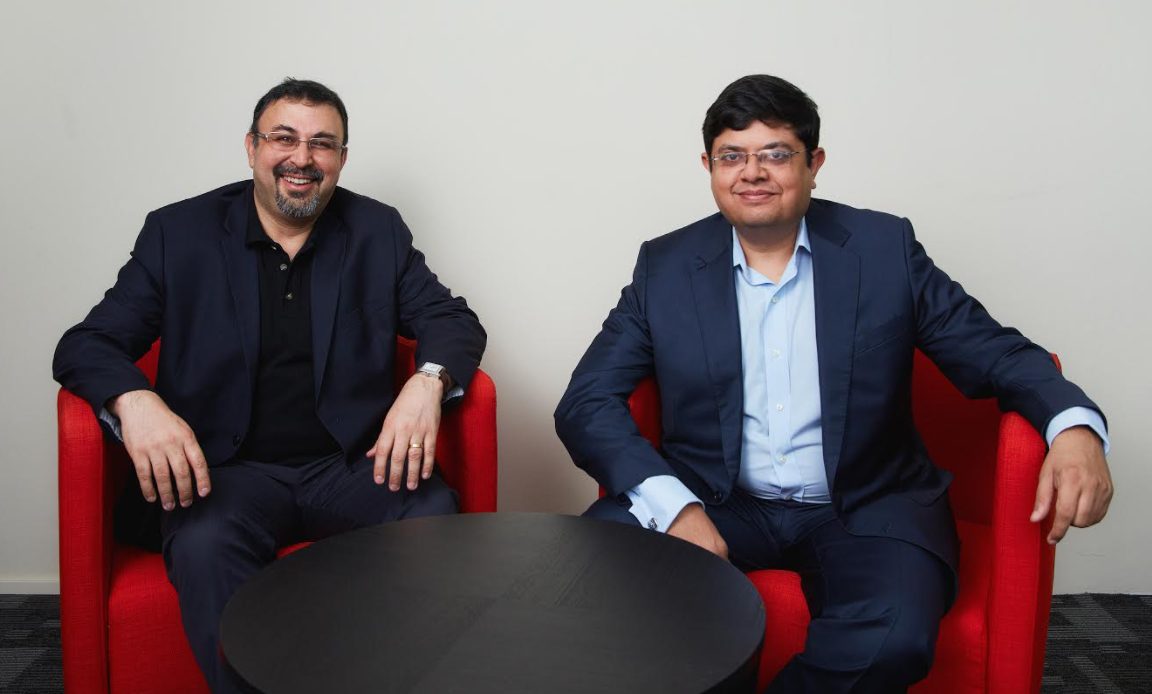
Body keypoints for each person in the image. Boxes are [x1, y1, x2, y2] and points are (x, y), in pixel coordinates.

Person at [554, 74, 1113, 693]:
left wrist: (1074, 426)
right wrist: (676, 506)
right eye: (732, 156)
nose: (752, 173)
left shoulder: (883, 250)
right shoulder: (666, 266)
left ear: (814, 164)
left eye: (776, 154)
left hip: (863, 505)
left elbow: (996, 352)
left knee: (892, 639)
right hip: (714, 499)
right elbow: (587, 401)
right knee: (587, 582)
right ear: (708, 167)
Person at [53, 78, 485, 693]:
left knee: (431, 512)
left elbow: (452, 320)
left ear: (341, 158)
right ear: (252, 147)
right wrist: (137, 400)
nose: (301, 158)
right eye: (284, 138)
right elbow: (87, 342)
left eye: (322, 144)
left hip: (347, 467)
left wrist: (427, 381)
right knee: (202, 544)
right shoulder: (179, 233)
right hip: (223, 475)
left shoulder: (377, 230)